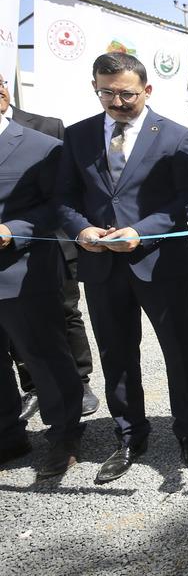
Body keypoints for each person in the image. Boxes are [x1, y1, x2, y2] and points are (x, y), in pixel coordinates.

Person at [57, 52, 188, 484]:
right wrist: (83, 230)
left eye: (126, 93)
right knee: (116, 354)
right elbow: (64, 198)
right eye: (107, 92)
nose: (117, 102)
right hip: (101, 264)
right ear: (95, 88)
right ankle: (129, 436)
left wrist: (142, 232)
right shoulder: (78, 136)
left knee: (179, 351)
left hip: (159, 264)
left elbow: (186, 200)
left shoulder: (178, 137)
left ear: (147, 88)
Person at [1, 74, 98, 420]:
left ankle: (75, 395)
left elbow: (61, 196)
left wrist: (13, 230)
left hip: (40, 256)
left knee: (59, 326)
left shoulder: (44, 134)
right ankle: (22, 410)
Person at [0, 116, 84, 479]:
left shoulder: (41, 146)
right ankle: (8, 436)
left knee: (44, 356)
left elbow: (59, 206)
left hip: (23, 272)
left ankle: (65, 435)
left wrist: (12, 230)